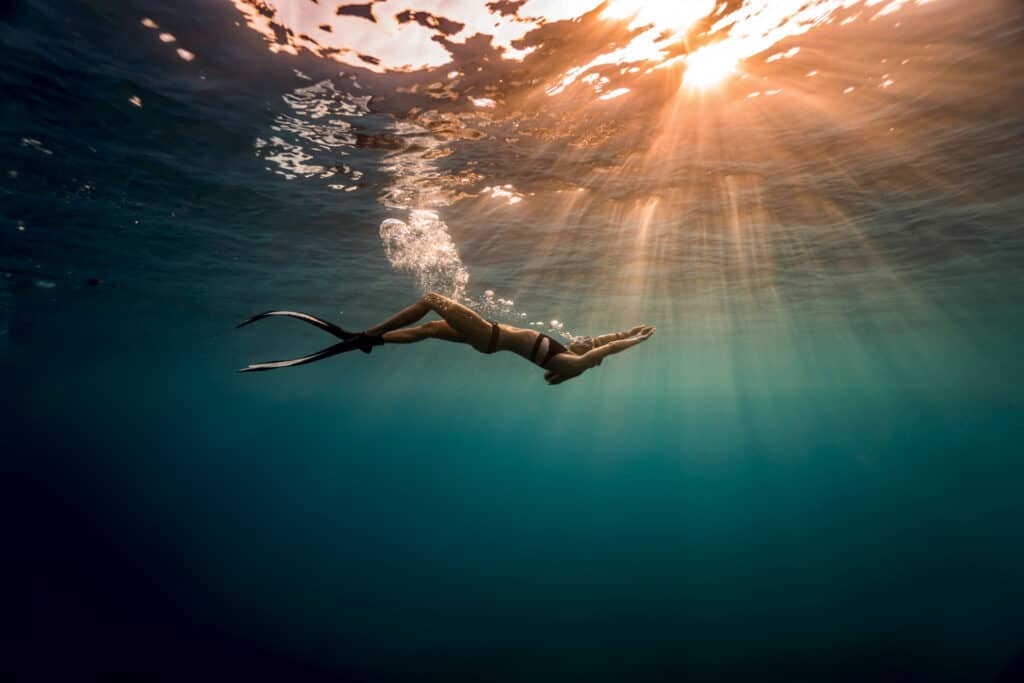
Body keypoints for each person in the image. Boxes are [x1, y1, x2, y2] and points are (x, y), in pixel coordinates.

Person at [237, 291, 654, 385]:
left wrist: (634, 344)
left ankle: (363, 333)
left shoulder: (573, 363)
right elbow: (603, 340)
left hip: (489, 336)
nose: (587, 344)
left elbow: (605, 349)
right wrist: (630, 330)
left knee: (433, 299)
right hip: (487, 339)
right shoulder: (576, 356)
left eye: (591, 351)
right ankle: (370, 342)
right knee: (431, 330)